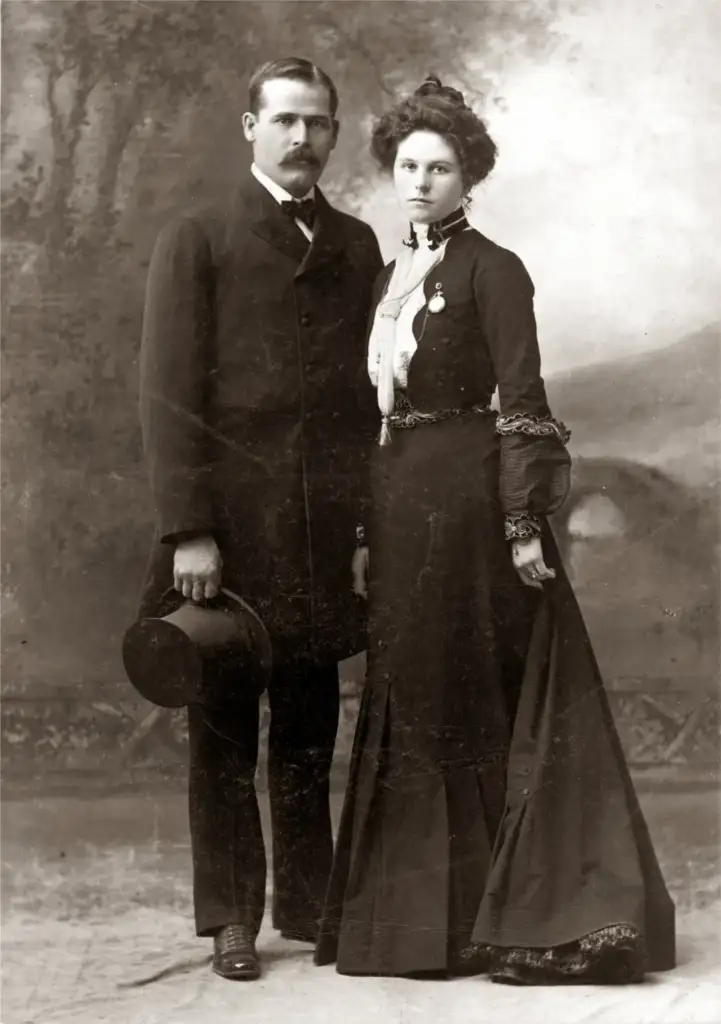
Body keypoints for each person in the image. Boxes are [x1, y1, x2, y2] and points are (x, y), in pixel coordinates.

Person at [315, 76, 676, 984]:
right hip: (401, 504)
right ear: (391, 173)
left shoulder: (495, 269)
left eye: (441, 167)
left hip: (474, 506)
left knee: (473, 694)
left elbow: (522, 403)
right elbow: (375, 416)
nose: (422, 181)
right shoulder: (389, 273)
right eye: (408, 166)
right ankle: (415, 925)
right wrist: (366, 522)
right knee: (417, 690)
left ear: (468, 175)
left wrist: (523, 522)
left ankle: (513, 918)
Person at [138, 57, 382, 981]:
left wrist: (364, 534)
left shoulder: (356, 246)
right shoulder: (198, 239)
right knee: (226, 731)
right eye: (282, 120)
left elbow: (365, 409)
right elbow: (168, 399)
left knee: (311, 726)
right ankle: (232, 916)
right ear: (249, 127)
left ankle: (311, 903)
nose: (300, 139)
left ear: (333, 134)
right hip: (229, 541)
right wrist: (189, 528)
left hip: (321, 537)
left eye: (317, 124)